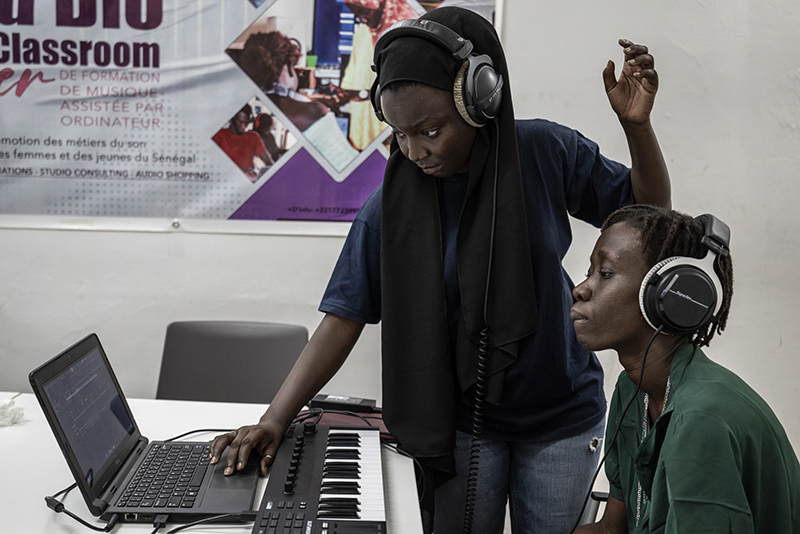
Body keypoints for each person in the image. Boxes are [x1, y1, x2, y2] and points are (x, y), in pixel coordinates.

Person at [210, 7, 670, 533]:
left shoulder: (542, 152)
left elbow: (651, 217)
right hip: (459, 426)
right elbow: (342, 319)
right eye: (400, 135)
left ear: (480, 101)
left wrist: (638, 128)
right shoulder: (389, 208)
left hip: (562, 419)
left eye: (430, 130)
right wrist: (275, 418)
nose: (415, 151)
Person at [570, 205, 800, 533]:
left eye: (605, 273)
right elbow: (612, 529)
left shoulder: (701, 419)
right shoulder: (631, 391)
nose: (581, 288)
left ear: (670, 296)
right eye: (589, 272)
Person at [211, 104, 273, 181]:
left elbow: (269, 163)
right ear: (232, 119)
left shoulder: (253, 137)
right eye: (241, 122)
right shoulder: (218, 135)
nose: (243, 127)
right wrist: (241, 171)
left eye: (246, 123)